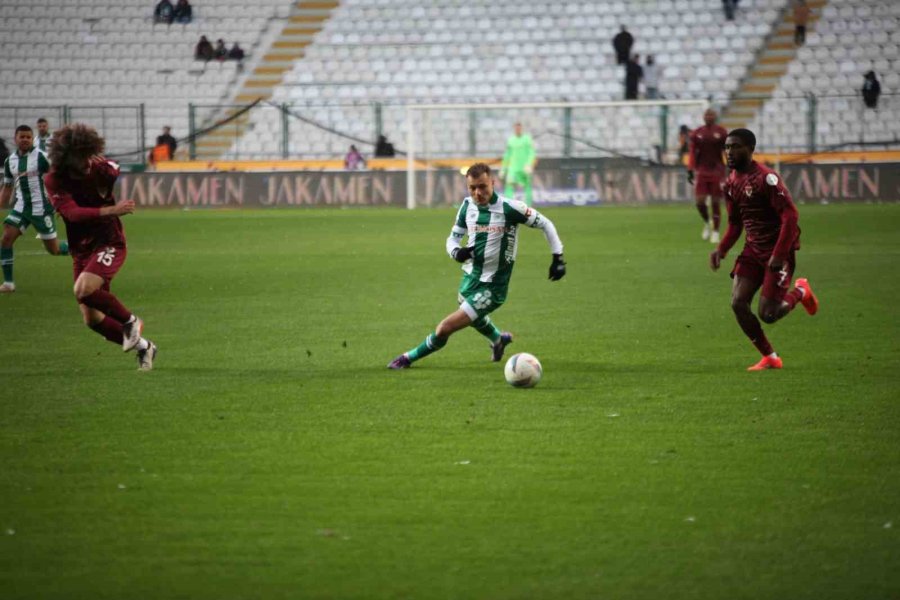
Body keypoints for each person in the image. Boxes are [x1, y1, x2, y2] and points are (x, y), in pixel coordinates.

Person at [388, 163, 566, 370]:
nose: (477, 193)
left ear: (493, 182)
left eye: (482, 186)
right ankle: (498, 339)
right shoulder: (466, 206)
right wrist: (457, 252)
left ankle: (407, 358)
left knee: (445, 328)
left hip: (494, 287)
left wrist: (558, 257)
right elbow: (452, 239)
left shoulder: (511, 208)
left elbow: (546, 224)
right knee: (472, 316)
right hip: (470, 277)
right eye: (472, 188)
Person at [44, 124, 157, 370]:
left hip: (109, 241)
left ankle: (131, 321)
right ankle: (145, 347)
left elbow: (113, 169)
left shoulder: (99, 170)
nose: (85, 160)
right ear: (65, 158)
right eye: (79, 156)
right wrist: (112, 210)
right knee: (91, 318)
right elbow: (72, 214)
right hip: (81, 249)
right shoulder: (54, 180)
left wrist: (104, 169)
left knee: (83, 289)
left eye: (87, 153)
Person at [709, 128, 818, 371]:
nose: (729, 152)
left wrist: (779, 254)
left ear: (750, 149)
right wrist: (722, 249)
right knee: (738, 303)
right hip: (752, 249)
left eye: (735, 146)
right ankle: (770, 357)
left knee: (768, 313)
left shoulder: (766, 178)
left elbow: (790, 215)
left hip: (778, 250)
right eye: (727, 147)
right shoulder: (731, 183)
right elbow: (736, 223)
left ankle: (801, 291)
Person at [0, 125, 69, 293]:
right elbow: (7, 187)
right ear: (15, 139)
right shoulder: (10, 161)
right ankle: (8, 283)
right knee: (6, 239)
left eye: (28, 137)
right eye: (21, 136)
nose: (24, 139)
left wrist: (61, 201)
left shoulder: (41, 157)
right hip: (21, 207)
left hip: (41, 208)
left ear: (32, 139)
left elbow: (57, 177)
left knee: (54, 249)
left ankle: (81, 246)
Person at [687, 108, 728, 243]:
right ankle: (707, 222)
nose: (708, 117)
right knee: (699, 202)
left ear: (715, 116)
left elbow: (726, 151)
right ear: (703, 117)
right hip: (702, 171)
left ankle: (715, 231)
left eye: (711, 114)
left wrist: (731, 167)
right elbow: (692, 152)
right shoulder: (697, 133)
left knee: (716, 202)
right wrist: (690, 169)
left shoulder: (721, 132)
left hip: (717, 171)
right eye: (706, 114)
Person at [500, 122, 537, 207]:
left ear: (521, 128)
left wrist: (529, 164)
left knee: (527, 186)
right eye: (516, 128)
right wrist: (503, 169)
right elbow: (507, 155)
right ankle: (508, 206)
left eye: (519, 128)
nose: (518, 129)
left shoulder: (527, 139)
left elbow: (532, 152)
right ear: (514, 128)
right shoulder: (511, 140)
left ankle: (529, 207)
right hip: (513, 168)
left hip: (525, 168)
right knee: (509, 185)